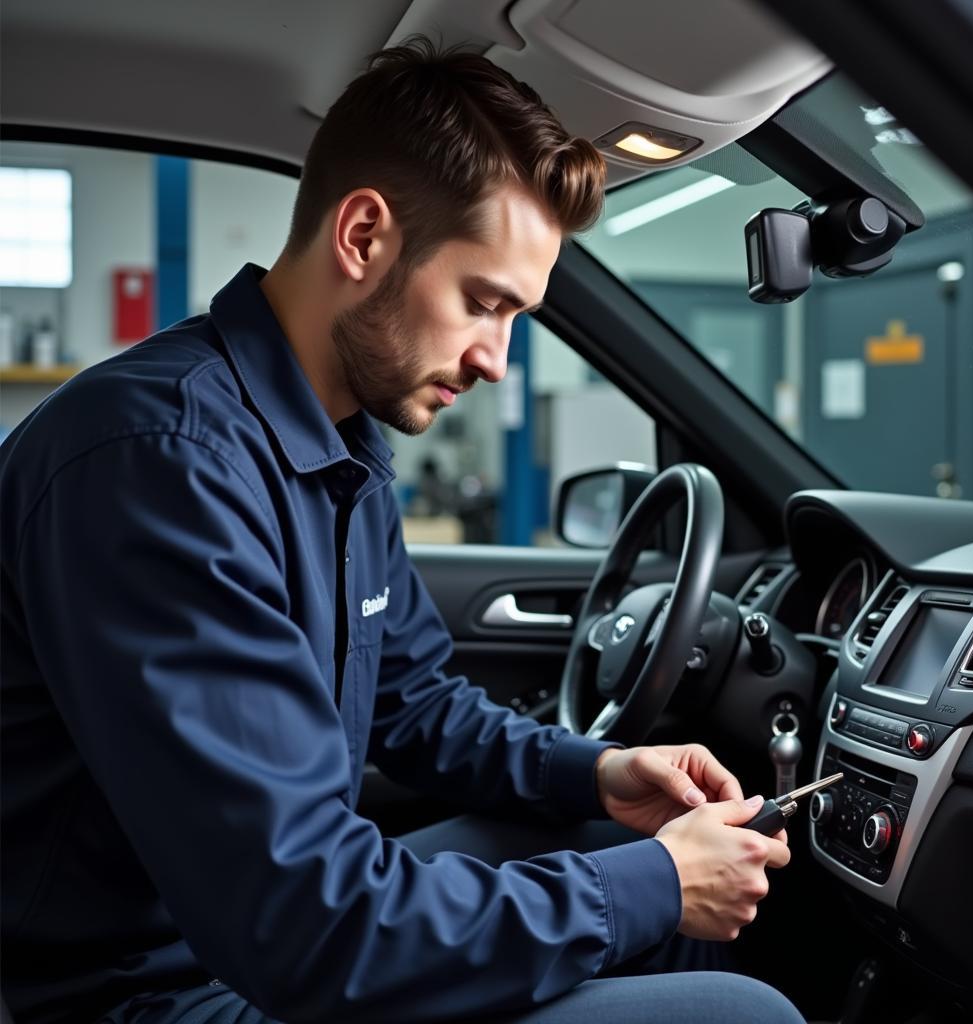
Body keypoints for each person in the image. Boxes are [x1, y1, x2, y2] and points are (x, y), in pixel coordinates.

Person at [0, 39, 802, 1024]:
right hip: (146, 993)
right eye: (482, 302)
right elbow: (305, 924)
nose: (496, 360)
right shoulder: (158, 463)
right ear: (365, 236)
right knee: (740, 1012)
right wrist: (651, 884)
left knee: (618, 858)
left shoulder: (337, 441)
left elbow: (411, 702)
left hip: (266, 928)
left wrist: (595, 774)